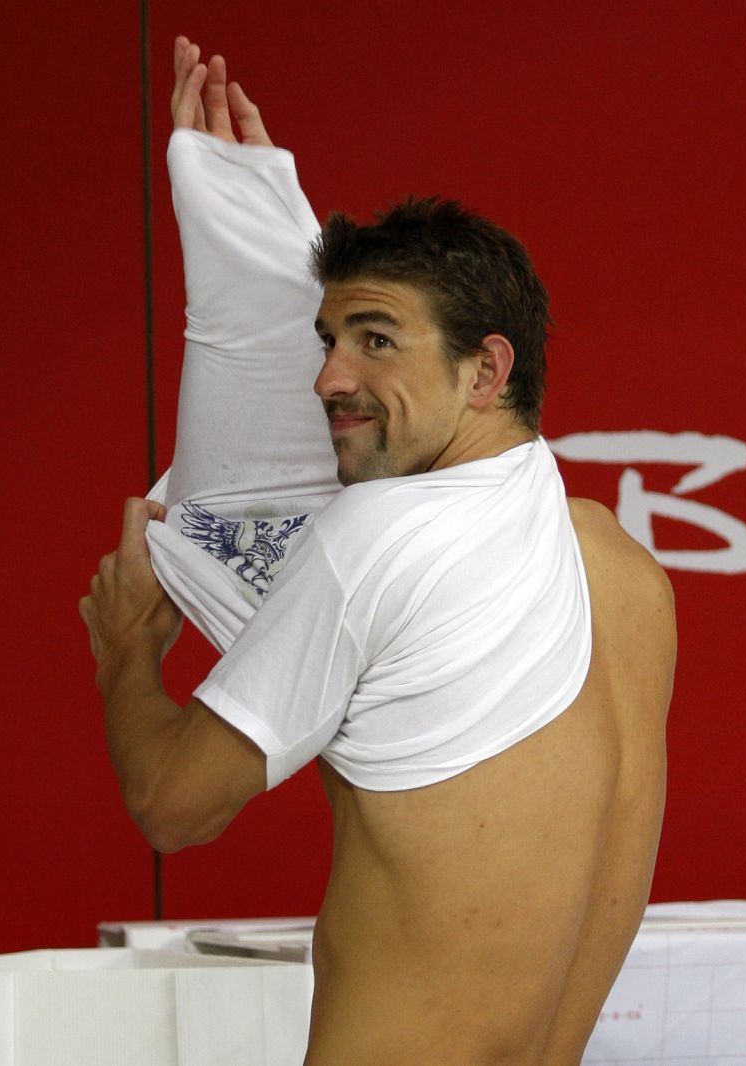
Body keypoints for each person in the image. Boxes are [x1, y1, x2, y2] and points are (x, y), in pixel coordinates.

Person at [78, 37, 674, 1065]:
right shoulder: (620, 568)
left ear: (486, 371)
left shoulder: (375, 542)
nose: (327, 379)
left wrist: (128, 648)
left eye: (375, 339)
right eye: (325, 338)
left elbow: (174, 808)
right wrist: (252, 223)